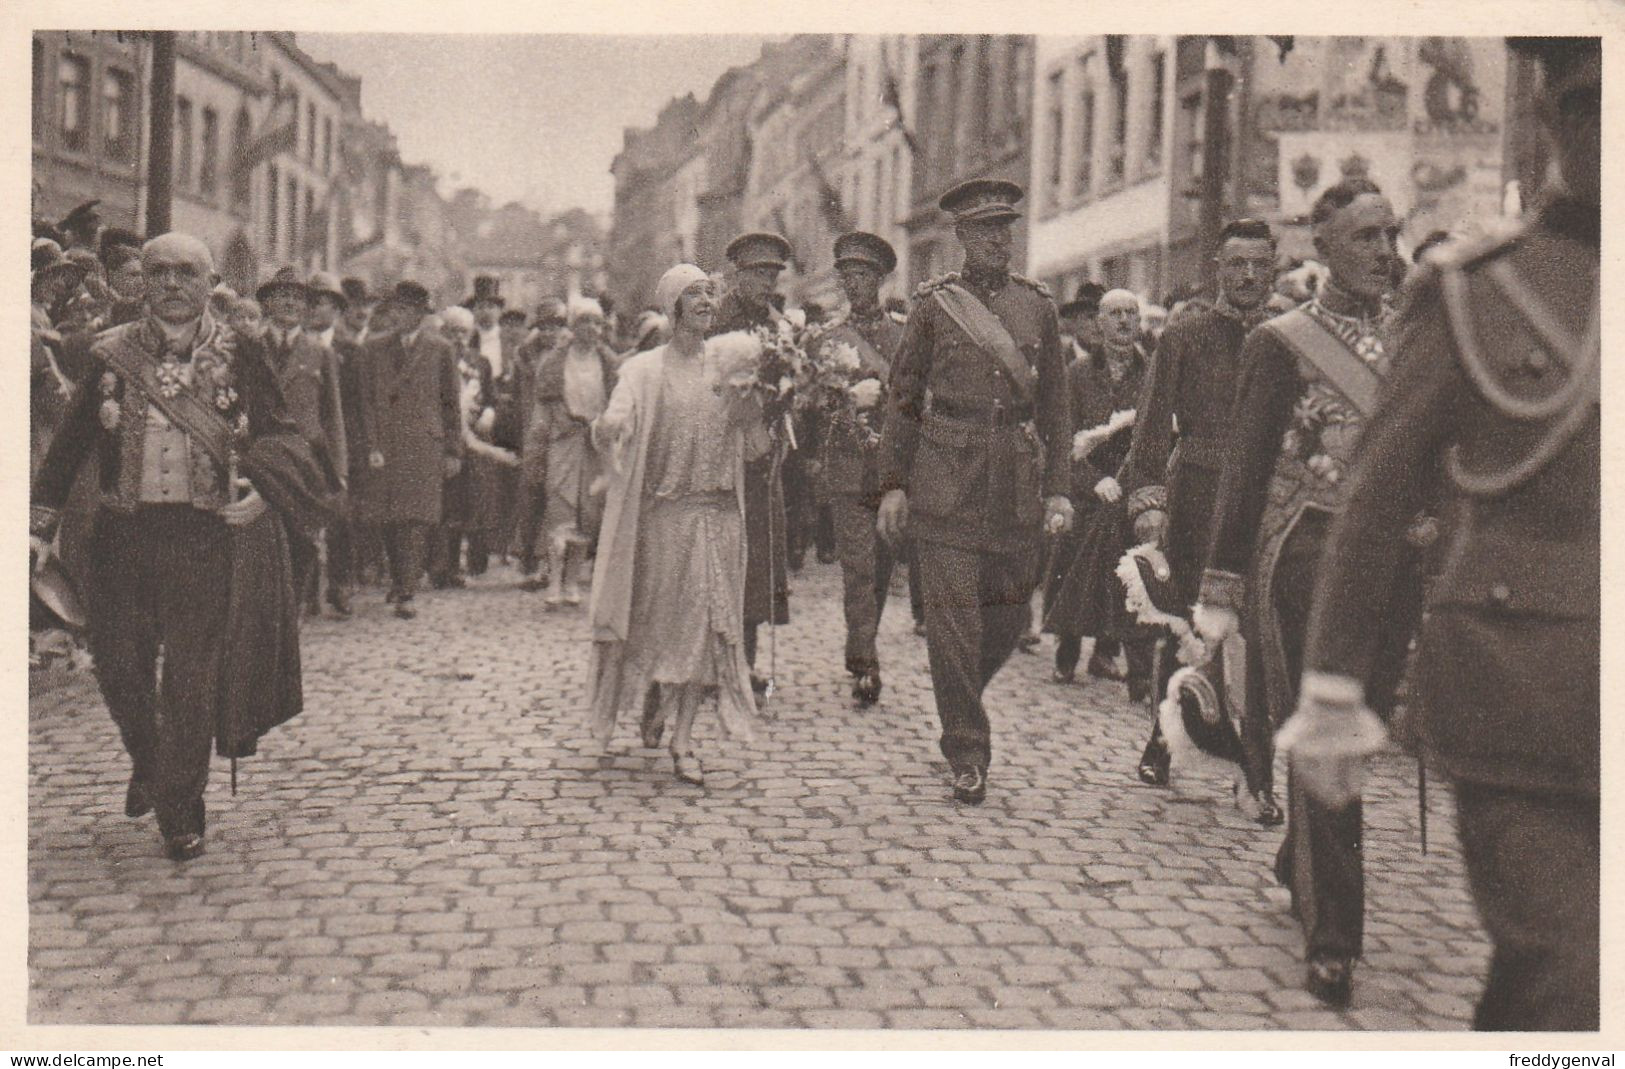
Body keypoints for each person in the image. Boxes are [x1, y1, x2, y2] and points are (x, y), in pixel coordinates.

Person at [1282, 36, 1599, 1030]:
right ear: (1554, 120)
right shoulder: (1476, 288)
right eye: (1589, 108)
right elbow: (1373, 498)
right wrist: (1329, 691)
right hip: (1524, 693)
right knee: (1571, 970)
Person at [29, 232, 326, 861]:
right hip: (123, 535)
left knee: (191, 677)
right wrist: (38, 526)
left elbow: (282, 433)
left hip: (204, 534)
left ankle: (181, 808)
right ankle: (154, 763)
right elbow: (69, 447)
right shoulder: (112, 354)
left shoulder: (243, 350)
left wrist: (266, 490)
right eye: (157, 271)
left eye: (185, 272)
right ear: (141, 281)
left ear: (209, 280)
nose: (170, 283)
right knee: (118, 668)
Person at [1194, 177, 1418, 1008]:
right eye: (1365, 237)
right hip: (1306, 555)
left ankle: (1301, 854)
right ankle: (1334, 942)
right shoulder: (1281, 342)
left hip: (1393, 563)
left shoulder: (1415, 335)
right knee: (1330, 732)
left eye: (1391, 235)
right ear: (1321, 247)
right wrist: (1219, 584)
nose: (1385, 253)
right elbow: (1243, 473)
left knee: (1357, 740)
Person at [876, 179, 1074, 805]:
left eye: (1005, 230)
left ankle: (960, 698)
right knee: (953, 622)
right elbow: (902, 402)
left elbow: (1057, 409)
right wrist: (893, 486)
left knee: (1012, 612)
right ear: (961, 238)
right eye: (985, 231)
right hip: (945, 481)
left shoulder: (1036, 305)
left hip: (1014, 481)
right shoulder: (935, 307)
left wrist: (1060, 490)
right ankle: (968, 747)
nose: (998, 242)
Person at [587, 264, 769, 784]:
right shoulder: (644, 371)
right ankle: (655, 697)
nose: (706, 304)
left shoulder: (733, 363)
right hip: (665, 518)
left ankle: (683, 740)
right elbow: (613, 423)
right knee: (659, 623)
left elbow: (757, 448)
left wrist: (762, 410)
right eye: (694, 296)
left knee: (710, 627)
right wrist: (612, 428)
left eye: (709, 294)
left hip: (720, 516)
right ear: (673, 309)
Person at [1121, 218, 1282, 786]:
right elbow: (1150, 424)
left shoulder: (1289, 333)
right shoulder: (1185, 334)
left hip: (1267, 496)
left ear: (1274, 266)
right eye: (1236, 263)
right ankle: (1163, 740)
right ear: (1217, 268)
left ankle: (1257, 764)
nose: (1248, 276)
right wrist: (1150, 500)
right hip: (1197, 490)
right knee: (1184, 619)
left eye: (1259, 264)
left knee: (1261, 628)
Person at [811, 232, 905, 705]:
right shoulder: (828, 339)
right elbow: (814, 406)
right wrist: (845, 401)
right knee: (859, 568)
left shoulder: (904, 337)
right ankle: (864, 659)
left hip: (891, 474)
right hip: (849, 470)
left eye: (863, 275)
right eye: (847, 276)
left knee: (882, 568)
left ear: (881, 280)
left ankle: (861, 643)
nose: (854, 284)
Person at [1042, 289, 1152, 693]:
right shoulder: (1078, 374)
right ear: (1099, 323)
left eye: (1131, 313)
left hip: (1132, 487)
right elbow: (1062, 438)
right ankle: (1067, 651)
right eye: (1114, 314)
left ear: (1140, 323)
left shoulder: (1152, 372)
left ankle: (1110, 655)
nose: (1124, 321)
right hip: (1086, 488)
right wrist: (1092, 481)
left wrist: (1131, 482)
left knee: (1129, 572)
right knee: (1075, 565)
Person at [711, 232, 795, 692]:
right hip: (722, 453)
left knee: (758, 557)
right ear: (737, 275)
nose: (767, 282)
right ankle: (714, 659)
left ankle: (746, 659)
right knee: (723, 555)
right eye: (759, 274)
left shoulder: (777, 323)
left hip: (765, 458)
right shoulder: (717, 319)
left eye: (773, 274)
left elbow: (788, 380)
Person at [351, 282, 464, 619]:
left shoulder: (440, 349)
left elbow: (450, 403)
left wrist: (453, 450)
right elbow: (366, 402)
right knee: (387, 516)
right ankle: (400, 579)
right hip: (385, 442)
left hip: (423, 444)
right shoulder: (372, 349)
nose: (395, 317)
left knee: (415, 518)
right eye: (393, 310)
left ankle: (407, 590)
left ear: (418, 315)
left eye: (403, 311)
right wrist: (371, 443)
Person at [257, 267, 350, 618]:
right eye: (281, 297)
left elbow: (333, 416)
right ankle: (269, 606)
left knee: (303, 535)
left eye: (297, 299)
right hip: (261, 457)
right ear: (267, 304)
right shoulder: (249, 346)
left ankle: (294, 605)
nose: (289, 304)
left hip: (305, 459)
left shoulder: (318, 353)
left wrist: (337, 470)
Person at [533, 296, 618, 607]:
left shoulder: (608, 361)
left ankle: (572, 582)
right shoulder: (555, 361)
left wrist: (605, 427)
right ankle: (554, 581)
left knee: (588, 511)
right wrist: (553, 428)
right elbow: (544, 405)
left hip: (597, 444)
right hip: (564, 441)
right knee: (560, 507)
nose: (592, 329)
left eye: (597, 323)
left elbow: (616, 403)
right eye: (585, 322)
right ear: (573, 325)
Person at [305, 271, 362, 617]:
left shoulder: (349, 350)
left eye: (324, 304)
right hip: (308, 441)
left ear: (338, 309)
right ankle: (308, 589)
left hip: (341, 442)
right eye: (311, 303)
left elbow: (358, 403)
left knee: (341, 517)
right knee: (305, 514)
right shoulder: (297, 343)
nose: (316, 310)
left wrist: (353, 448)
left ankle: (340, 585)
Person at [515, 298, 571, 586]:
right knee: (532, 494)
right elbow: (518, 398)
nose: (550, 334)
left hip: (562, 433)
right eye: (545, 328)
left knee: (558, 498)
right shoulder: (526, 358)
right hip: (534, 432)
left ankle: (550, 564)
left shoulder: (572, 356)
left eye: (556, 328)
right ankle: (531, 558)